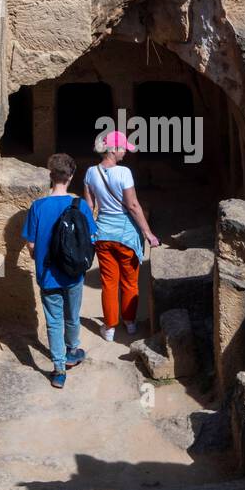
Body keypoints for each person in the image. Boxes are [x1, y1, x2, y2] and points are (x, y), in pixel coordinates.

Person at [24, 153, 96, 389]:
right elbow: (90, 237)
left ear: (50, 176)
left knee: (54, 321)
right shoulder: (81, 205)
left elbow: (32, 244)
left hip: (48, 275)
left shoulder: (38, 207)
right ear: (71, 176)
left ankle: (58, 370)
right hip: (74, 273)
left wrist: (41, 256)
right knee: (72, 315)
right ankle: (73, 350)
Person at [83, 130, 160, 342]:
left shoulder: (90, 173)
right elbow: (133, 205)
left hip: (103, 234)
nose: (125, 152)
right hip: (126, 234)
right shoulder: (124, 172)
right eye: (123, 148)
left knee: (109, 282)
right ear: (113, 149)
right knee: (129, 282)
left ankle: (108, 327)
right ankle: (130, 323)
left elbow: (90, 206)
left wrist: (92, 231)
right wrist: (148, 233)